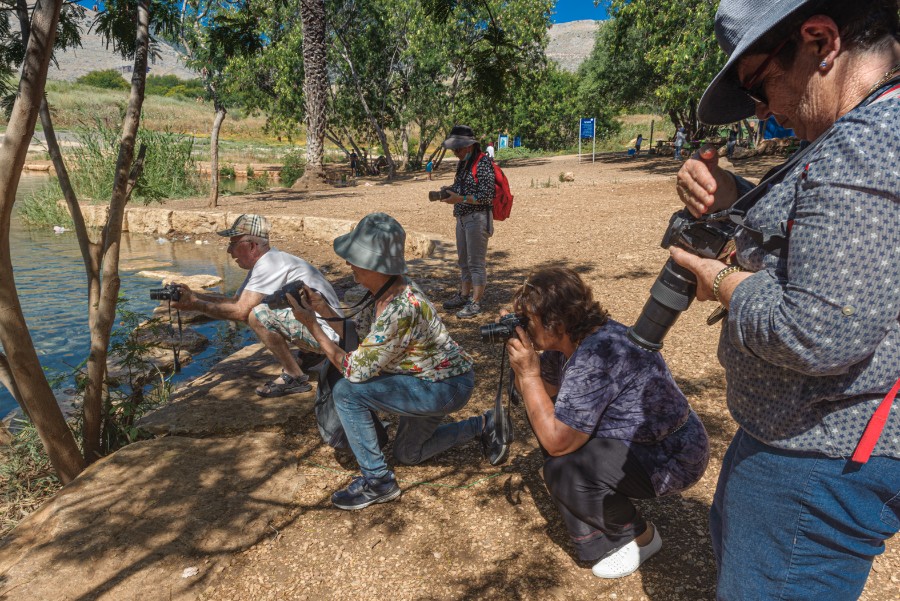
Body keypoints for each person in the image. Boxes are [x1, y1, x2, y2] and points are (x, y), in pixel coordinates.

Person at [672, 1, 900, 598]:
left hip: (818, 458)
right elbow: (832, 237)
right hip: (802, 440)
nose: (763, 111)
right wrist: (734, 197)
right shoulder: (864, 131)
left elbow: (819, 331)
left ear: (821, 40)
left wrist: (719, 282)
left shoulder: (866, 141)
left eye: (759, 84)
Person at [286, 213, 510, 510]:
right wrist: (322, 308)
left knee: (347, 393)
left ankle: (378, 481)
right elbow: (359, 334)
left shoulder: (402, 308)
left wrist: (312, 325)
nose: (349, 263)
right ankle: (484, 424)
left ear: (374, 265)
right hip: (427, 381)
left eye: (354, 257)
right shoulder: (382, 291)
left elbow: (354, 370)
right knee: (408, 454)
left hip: (443, 387)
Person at [504, 267, 709, 579]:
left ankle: (642, 538)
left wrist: (528, 372)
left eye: (528, 321)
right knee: (550, 425)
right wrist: (526, 365)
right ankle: (594, 515)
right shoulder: (574, 338)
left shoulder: (597, 354)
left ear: (555, 323)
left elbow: (557, 441)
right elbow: (542, 397)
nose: (525, 329)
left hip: (673, 456)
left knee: (564, 468)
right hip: (644, 440)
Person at [171, 214, 342, 397]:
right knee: (258, 309)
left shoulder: (269, 264)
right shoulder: (268, 262)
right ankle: (311, 353)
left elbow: (241, 312)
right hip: (331, 330)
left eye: (233, 244)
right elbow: (236, 301)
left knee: (256, 314)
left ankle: (293, 376)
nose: (229, 251)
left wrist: (195, 304)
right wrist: (193, 294)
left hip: (329, 335)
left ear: (251, 245)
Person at [437, 125, 496, 319]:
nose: (455, 153)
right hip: (462, 218)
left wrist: (460, 199)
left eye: (459, 149)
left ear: (470, 146)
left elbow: (487, 196)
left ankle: (476, 302)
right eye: (454, 149)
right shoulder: (463, 163)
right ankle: (464, 295)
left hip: (477, 218)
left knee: (475, 262)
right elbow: (461, 186)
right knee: (463, 261)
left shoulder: (483, 163)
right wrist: (448, 190)